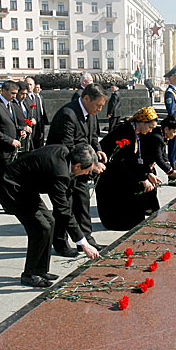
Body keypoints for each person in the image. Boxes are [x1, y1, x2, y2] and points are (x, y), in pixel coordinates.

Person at [0, 143, 101, 287]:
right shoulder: (60, 172)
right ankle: (29, 274)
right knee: (40, 228)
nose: (87, 174)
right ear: (78, 166)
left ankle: (40, 270)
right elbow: (64, 211)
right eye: (87, 171)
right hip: (10, 187)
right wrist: (84, 244)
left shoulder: (65, 153)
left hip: (26, 187)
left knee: (50, 223)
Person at [46, 83, 108, 255]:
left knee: (82, 202)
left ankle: (86, 239)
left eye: (102, 106)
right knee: (64, 205)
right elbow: (67, 146)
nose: (100, 109)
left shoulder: (91, 113)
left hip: (81, 166)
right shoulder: (68, 114)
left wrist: (98, 150)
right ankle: (60, 242)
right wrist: (92, 164)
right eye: (98, 105)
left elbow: (92, 136)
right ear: (86, 98)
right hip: (64, 167)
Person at [96, 107, 164, 230]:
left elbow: (136, 158)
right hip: (112, 175)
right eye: (150, 127)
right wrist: (142, 178)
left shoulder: (136, 133)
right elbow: (123, 160)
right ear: (143, 122)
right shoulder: (125, 132)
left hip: (124, 172)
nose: (150, 131)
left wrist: (147, 173)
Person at [0, 81, 22, 174]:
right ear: (3, 91)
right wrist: (10, 141)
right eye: (12, 93)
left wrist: (20, 131)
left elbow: (13, 123)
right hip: (3, 151)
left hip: (13, 149)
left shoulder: (12, 104)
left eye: (16, 93)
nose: (15, 96)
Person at [140, 115, 176, 187]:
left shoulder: (162, 135)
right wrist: (170, 171)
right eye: (174, 132)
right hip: (142, 168)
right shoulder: (157, 137)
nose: (175, 134)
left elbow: (163, 152)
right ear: (166, 129)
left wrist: (167, 163)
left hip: (148, 167)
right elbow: (158, 158)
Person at [26, 76, 48, 149]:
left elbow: (39, 115)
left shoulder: (37, 98)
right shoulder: (23, 98)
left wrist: (41, 130)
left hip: (37, 131)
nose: (29, 86)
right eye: (27, 84)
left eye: (30, 84)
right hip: (28, 131)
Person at [15, 81, 34, 153]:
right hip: (18, 140)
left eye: (26, 94)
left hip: (28, 141)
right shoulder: (12, 105)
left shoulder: (26, 102)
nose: (24, 96)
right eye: (22, 94)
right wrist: (22, 128)